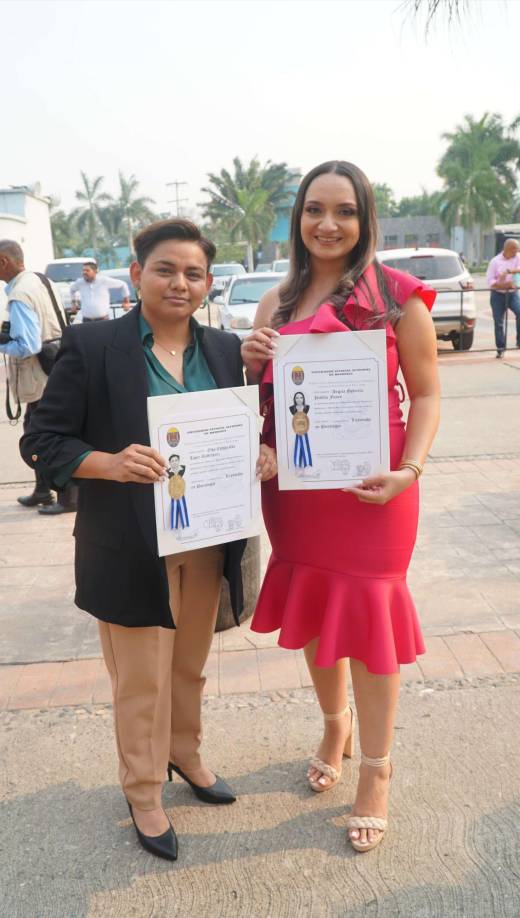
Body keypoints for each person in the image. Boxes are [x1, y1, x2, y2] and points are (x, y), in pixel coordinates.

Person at [20, 219, 277, 861]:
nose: (179, 283)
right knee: (141, 679)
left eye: (193, 273)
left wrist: (260, 454)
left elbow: (233, 432)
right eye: (166, 269)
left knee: (189, 666)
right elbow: (42, 441)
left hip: (205, 539)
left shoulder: (222, 348)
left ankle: (185, 754)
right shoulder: (94, 344)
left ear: (208, 283)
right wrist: (108, 463)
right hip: (130, 546)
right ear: (137, 274)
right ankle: (142, 789)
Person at [241, 161, 440, 853]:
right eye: (314, 209)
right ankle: (335, 723)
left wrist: (408, 471)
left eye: (345, 211)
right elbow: (260, 403)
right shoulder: (276, 302)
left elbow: (428, 395)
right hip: (296, 493)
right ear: (298, 219)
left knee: (369, 620)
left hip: (375, 491)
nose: (328, 224)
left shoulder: (397, 299)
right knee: (315, 607)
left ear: (365, 220)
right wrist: (251, 360)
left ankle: (378, 771)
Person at [0, 239, 77, 514]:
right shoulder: (40, 280)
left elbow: (27, 346)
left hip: (38, 373)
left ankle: (68, 496)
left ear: (3, 262)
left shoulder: (20, 294)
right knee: (42, 430)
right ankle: (44, 490)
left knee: (41, 436)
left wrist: (2, 342)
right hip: (56, 366)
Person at [485, 238, 520, 358]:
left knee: (519, 312)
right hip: (497, 295)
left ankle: (519, 341)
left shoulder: (517, 257)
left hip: (512, 293)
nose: (517, 252)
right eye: (516, 249)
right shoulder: (495, 261)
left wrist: (510, 274)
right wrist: (504, 284)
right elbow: (490, 281)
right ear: (508, 249)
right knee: (498, 322)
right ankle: (501, 348)